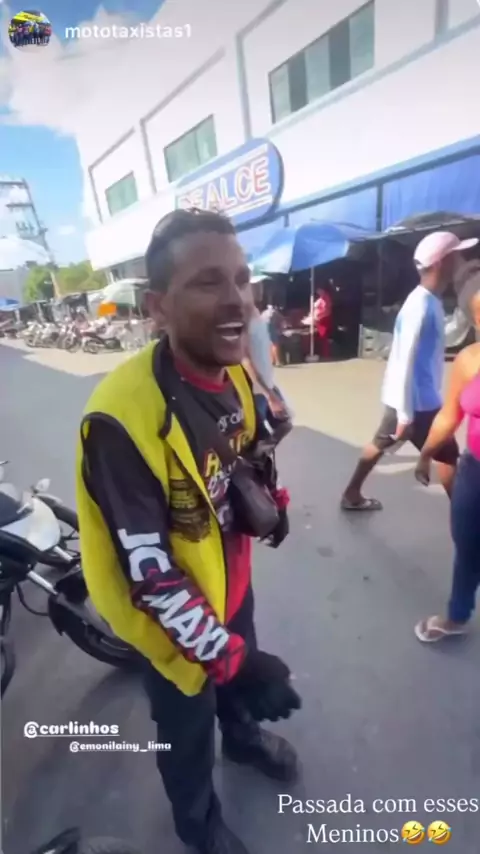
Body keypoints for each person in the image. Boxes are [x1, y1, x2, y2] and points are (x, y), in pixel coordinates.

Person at [75, 209, 301, 854]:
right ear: (158, 308)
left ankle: (245, 739)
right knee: (186, 722)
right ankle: (199, 827)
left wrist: (270, 498)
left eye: (242, 279)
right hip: (169, 614)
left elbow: (243, 454)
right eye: (208, 282)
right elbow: (152, 578)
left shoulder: (234, 372)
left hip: (230, 579)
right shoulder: (119, 419)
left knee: (236, 686)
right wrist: (235, 660)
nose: (237, 300)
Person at [341, 231, 477, 511]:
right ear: (441, 262)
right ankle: (464, 515)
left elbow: (439, 339)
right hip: (417, 402)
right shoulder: (420, 306)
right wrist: (405, 414)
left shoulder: (426, 300)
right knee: (447, 455)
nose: (461, 261)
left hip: (408, 398)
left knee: (381, 443)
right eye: (457, 256)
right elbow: (404, 360)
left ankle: (352, 493)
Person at [414, 271, 480, 642]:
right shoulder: (469, 360)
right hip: (475, 470)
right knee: (467, 543)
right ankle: (457, 615)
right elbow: (448, 416)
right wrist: (426, 454)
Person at [243, 302, 287, 421]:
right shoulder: (242, 318)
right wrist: (269, 396)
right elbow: (246, 360)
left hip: (267, 385)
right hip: (256, 392)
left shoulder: (256, 313)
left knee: (284, 422)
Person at [313, 284, 332, 359]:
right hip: (320, 319)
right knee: (320, 337)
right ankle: (322, 352)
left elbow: (326, 310)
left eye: (319, 290)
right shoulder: (321, 297)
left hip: (323, 319)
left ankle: (325, 354)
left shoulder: (326, 298)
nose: (318, 292)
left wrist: (319, 316)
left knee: (323, 337)